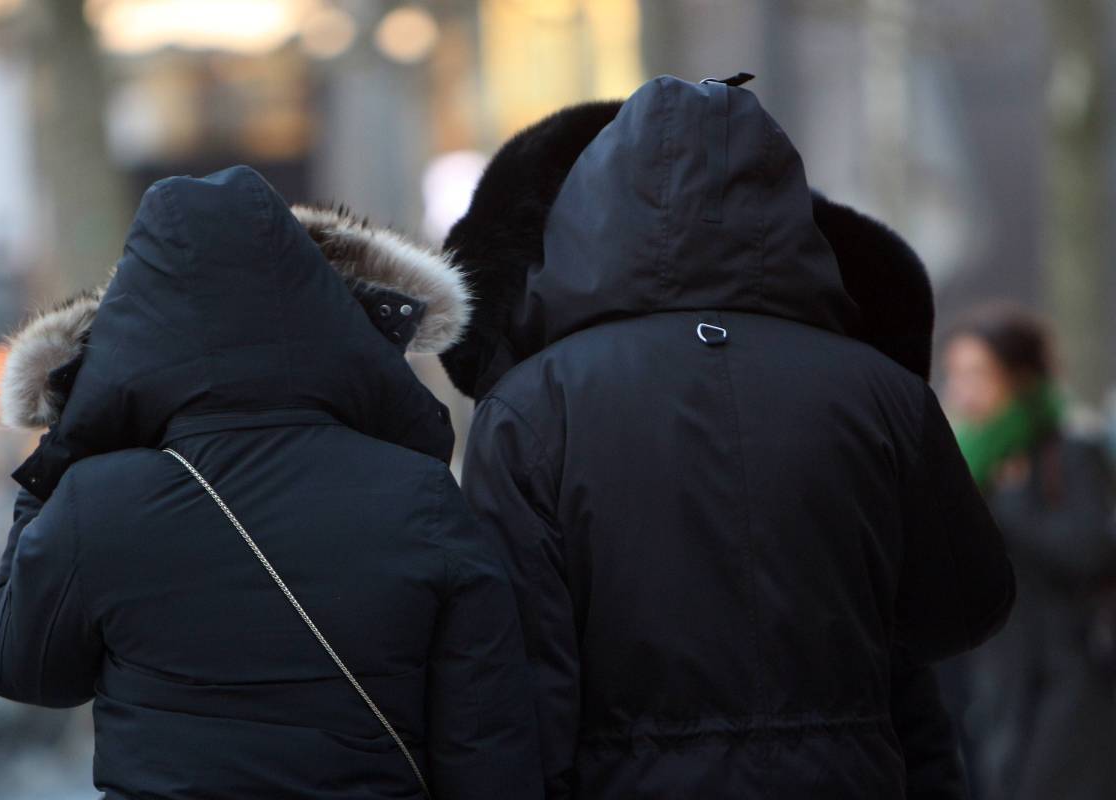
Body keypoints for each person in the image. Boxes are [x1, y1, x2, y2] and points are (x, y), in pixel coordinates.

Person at [439, 75, 1015, 798]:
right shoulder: (882, 394)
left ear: (593, 210)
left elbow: (521, 681)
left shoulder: (532, 409)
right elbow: (964, 606)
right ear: (785, 204)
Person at [0, 166, 541, 800]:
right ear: (315, 311)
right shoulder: (418, 494)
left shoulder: (97, 503)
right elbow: (485, 737)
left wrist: (61, 449)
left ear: (136, 331)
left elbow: (20, 670)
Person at [943, 303, 1116, 800]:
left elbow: (1090, 551)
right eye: (955, 374)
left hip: (1068, 686)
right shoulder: (960, 463)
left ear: (1018, 378)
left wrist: (1005, 503)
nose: (963, 390)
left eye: (978, 373)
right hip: (990, 688)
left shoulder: (1069, 455)